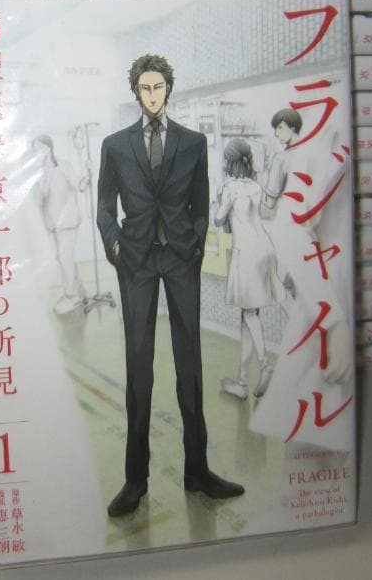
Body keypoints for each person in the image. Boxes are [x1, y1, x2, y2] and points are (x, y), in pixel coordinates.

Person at [96, 53, 244, 518]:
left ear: (168, 89)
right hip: (136, 261)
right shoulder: (115, 146)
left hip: (180, 259)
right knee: (139, 368)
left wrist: (195, 245)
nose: (152, 95)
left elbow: (201, 202)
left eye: (159, 87)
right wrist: (115, 245)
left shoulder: (193, 143)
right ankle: (135, 479)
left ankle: (197, 471)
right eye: (145, 87)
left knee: (190, 367)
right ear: (135, 92)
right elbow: (104, 206)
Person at [213, 138, 287, 401]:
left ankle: (265, 364)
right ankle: (242, 382)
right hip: (265, 249)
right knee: (248, 316)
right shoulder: (255, 186)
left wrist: (219, 198)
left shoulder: (230, 187)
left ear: (229, 162)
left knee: (248, 313)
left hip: (246, 253)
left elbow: (218, 219)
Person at [33, 135, 87, 314]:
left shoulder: (63, 165)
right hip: (53, 223)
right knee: (63, 257)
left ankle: (72, 296)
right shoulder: (40, 173)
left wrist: (88, 174)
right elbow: (39, 200)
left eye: (39, 149)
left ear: (48, 148)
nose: (38, 153)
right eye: (35, 150)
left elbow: (79, 185)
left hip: (68, 221)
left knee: (65, 258)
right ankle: (80, 291)